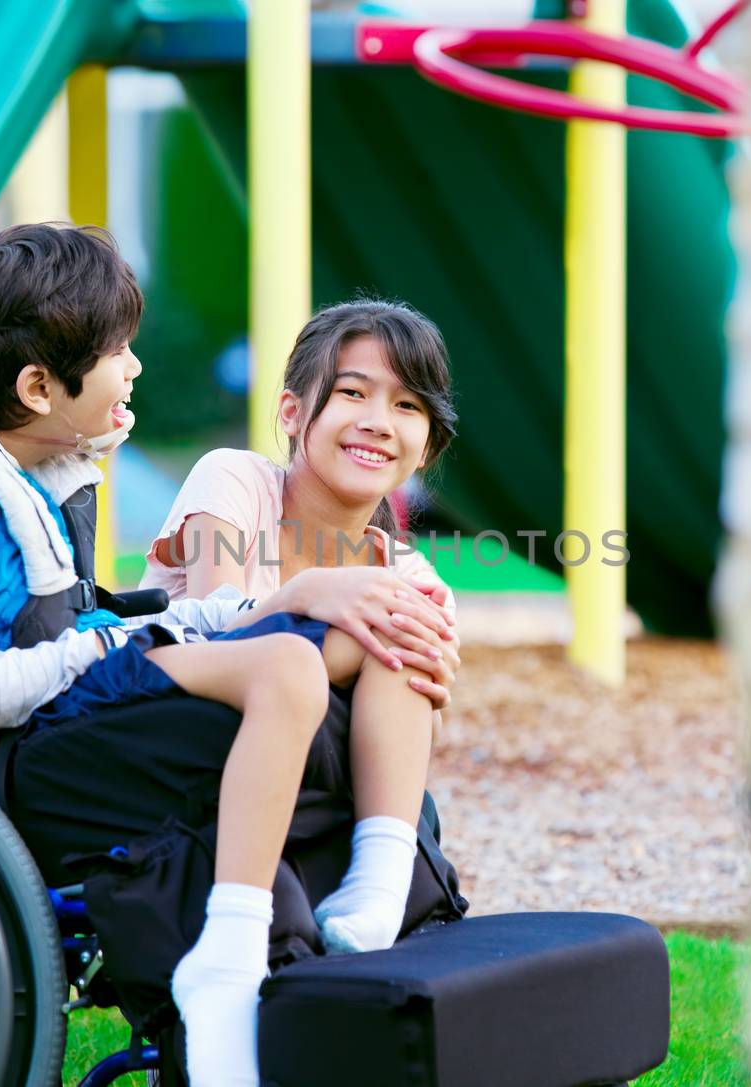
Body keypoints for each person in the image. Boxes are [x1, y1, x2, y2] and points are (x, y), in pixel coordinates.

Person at [0, 224, 459, 1087]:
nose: (136, 368)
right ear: (38, 385)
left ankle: (364, 894)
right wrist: (102, 645)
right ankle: (232, 954)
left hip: (75, 715)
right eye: (118, 353)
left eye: (407, 407)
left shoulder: (39, 487)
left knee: (365, 630)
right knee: (293, 659)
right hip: (2, 770)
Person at [144, 299, 462, 959]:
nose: (377, 422)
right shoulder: (236, 481)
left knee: (402, 617)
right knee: (391, 621)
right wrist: (313, 593)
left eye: (407, 407)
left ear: (427, 444)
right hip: (185, 729)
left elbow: (421, 732)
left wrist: (427, 675)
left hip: (315, 768)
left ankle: (380, 885)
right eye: (353, 392)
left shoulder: (407, 569)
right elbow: (216, 627)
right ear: (291, 412)